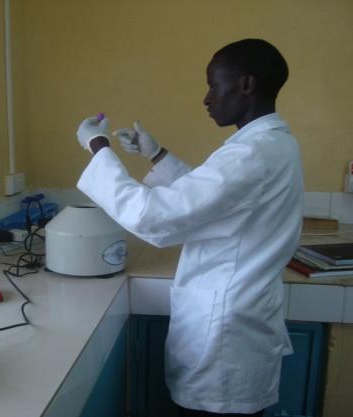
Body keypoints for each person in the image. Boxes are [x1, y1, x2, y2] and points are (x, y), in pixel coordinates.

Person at [75, 39, 303, 417]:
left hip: (225, 338)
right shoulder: (273, 144)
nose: (207, 98)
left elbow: (153, 217)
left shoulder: (250, 154)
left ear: (246, 85)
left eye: (214, 85)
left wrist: (98, 147)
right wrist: (156, 154)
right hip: (241, 322)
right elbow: (215, 200)